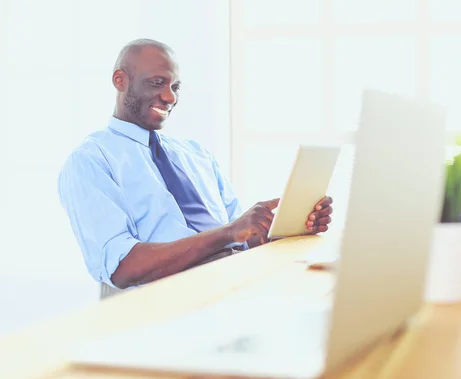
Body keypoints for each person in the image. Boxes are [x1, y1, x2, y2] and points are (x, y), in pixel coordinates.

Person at [58, 38, 333, 294]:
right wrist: (228, 233)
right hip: (173, 304)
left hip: (238, 285)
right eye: (157, 83)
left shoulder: (195, 154)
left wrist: (287, 226)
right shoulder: (91, 160)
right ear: (120, 80)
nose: (170, 97)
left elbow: (242, 240)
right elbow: (123, 267)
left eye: (175, 87)